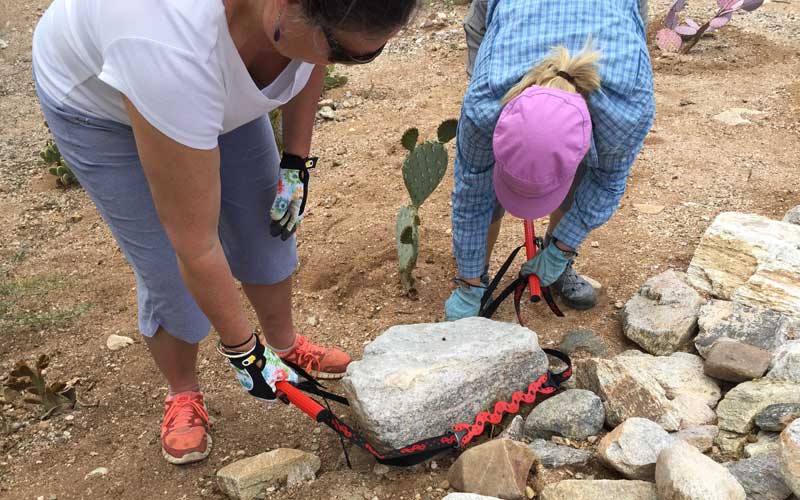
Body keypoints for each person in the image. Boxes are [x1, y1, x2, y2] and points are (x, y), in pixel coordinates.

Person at [32, 0, 419, 465]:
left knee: (264, 223)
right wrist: (243, 352)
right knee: (168, 267)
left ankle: (285, 345)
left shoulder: (305, 25)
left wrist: (295, 162)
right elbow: (194, 245)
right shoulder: (166, 44)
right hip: (100, 107)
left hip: (220, 65)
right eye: (343, 51)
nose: (347, 63)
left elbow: (315, 58)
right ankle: (183, 392)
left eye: (366, 55)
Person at [445, 0, 655, 320]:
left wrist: (561, 249)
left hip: (614, 12)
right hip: (509, 21)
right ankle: (475, 281)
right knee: (485, 190)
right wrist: (469, 281)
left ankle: (557, 259)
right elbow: (471, 191)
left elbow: (607, 181)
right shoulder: (484, 103)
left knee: (578, 168)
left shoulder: (626, 111)